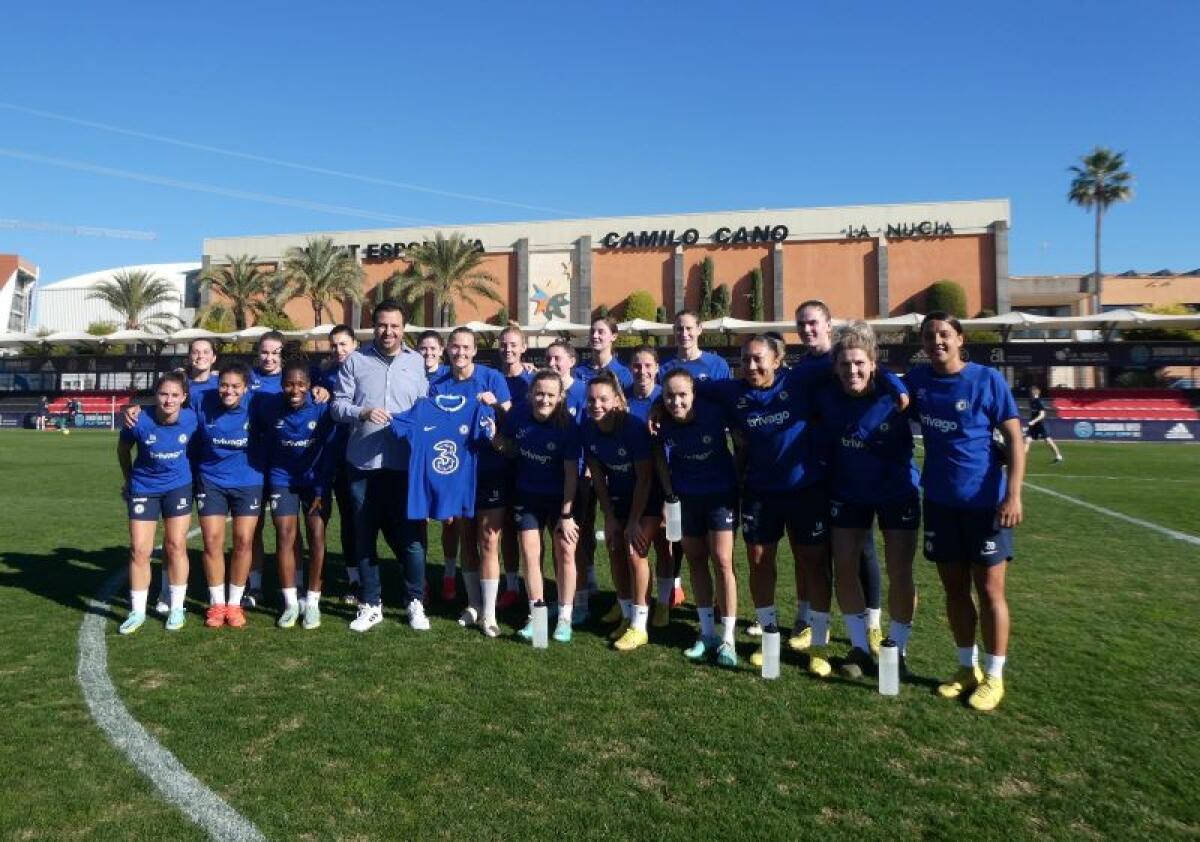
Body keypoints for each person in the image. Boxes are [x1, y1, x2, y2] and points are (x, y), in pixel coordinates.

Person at [907, 312, 1025, 712]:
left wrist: (1014, 495)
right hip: (940, 502)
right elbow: (887, 391)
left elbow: (1014, 437)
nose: (936, 341)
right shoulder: (919, 382)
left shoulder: (986, 379)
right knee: (954, 590)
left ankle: (995, 675)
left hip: (985, 504)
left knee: (990, 590)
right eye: (929, 336)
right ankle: (966, 669)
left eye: (944, 334)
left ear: (959, 338)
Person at [699, 335, 834, 676]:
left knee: (813, 563)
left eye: (758, 359)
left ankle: (818, 645)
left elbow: (854, 363)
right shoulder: (732, 391)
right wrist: (657, 407)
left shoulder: (799, 379)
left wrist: (893, 383)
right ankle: (769, 640)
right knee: (760, 561)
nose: (751, 366)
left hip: (805, 489)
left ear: (778, 360)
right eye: (745, 360)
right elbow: (686, 388)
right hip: (760, 491)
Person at [816, 322, 920, 679]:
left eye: (859, 363)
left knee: (900, 571)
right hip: (848, 492)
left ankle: (897, 649)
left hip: (896, 492)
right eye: (845, 364)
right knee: (844, 566)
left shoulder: (895, 395)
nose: (852, 371)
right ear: (835, 368)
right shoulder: (828, 397)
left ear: (873, 363)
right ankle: (860, 647)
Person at [789, 299, 888, 654]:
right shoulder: (799, 369)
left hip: (854, 471)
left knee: (863, 550)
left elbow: (882, 376)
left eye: (813, 323)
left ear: (828, 324)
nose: (807, 330)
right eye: (801, 324)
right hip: (815, 474)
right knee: (813, 553)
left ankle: (873, 625)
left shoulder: (848, 357)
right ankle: (814, 621)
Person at [330, 300, 430, 633]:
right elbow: (336, 406)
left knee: (411, 538)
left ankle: (414, 600)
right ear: (374, 327)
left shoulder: (416, 363)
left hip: (403, 465)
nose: (388, 332)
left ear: (404, 328)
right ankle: (371, 604)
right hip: (363, 463)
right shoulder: (355, 362)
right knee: (364, 535)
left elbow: (424, 409)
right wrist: (362, 411)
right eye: (382, 325)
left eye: (395, 326)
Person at [427, 327, 511, 633]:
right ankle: (474, 604)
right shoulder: (438, 384)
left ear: (475, 351)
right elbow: (433, 428)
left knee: (489, 540)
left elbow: (510, 422)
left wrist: (498, 405)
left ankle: (490, 613)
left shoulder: (492, 379)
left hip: (490, 472)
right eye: (455, 347)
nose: (460, 352)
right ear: (447, 350)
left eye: (466, 347)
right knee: (466, 538)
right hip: (457, 475)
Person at [487, 370, 581, 643]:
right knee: (530, 554)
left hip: (560, 499)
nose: (544, 399)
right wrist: (498, 441)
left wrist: (566, 514)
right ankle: (536, 618)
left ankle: (564, 617)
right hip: (527, 496)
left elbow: (571, 475)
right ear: (530, 394)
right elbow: (508, 446)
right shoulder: (518, 415)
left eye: (551, 395)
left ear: (561, 397)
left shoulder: (568, 427)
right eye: (539, 393)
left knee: (565, 551)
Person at [655, 368, 739, 666]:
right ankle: (706, 634)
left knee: (723, 561)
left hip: (719, 497)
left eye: (682, 395)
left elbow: (740, 438)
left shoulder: (714, 413)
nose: (676, 401)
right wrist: (669, 493)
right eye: (668, 395)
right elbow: (659, 460)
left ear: (693, 395)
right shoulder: (661, 422)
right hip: (686, 499)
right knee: (695, 560)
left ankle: (728, 638)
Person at [581, 371, 661, 652]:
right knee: (615, 548)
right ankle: (626, 614)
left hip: (648, 499)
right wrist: (612, 518)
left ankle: (640, 625)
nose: (596, 405)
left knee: (634, 552)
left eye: (603, 399)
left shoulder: (634, 427)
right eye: (591, 400)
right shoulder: (588, 429)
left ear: (616, 400)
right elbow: (599, 479)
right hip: (618, 500)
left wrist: (633, 522)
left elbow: (645, 479)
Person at [116, 372, 198, 634]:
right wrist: (129, 480)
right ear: (155, 395)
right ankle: (137, 612)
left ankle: (176, 608)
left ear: (184, 397)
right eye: (163, 394)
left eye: (175, 395)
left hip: (178, 486)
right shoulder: (138, 420)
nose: (168, 400)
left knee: (176, 546)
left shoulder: (191, 418)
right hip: (144, 488)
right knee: (140, 550)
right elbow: (122, 450)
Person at [260, 361, 339, 630]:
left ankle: (313, 601)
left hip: (315, 481)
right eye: (289, 384)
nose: (295, 389)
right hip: (282, 479)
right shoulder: (269, 408)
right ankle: (291, 603)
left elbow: (329, 451)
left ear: (309, 386)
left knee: (316, 535)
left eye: (300, 384)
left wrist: (321, 488)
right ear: (282, 385)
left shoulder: (322, 408)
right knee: (284, 536)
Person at [193, 362, 265, 629]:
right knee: (212, 542)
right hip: (211, 481)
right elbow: (170, 398)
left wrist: (320, 391)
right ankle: (216, 604)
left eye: (236, 386)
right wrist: (136, 408)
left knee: (244, 541)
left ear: (246, 388)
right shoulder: (201, 400)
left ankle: (234, 604)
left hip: (248, 482)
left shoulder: (258, 404)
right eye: (224, 385)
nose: (229, 391)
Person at [627, 345, 682, 628]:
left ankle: (664, 601)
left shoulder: (668, 397)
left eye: (648, 365)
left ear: (657, 368)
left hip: (669, 483)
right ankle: (634, 604)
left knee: (666, 544)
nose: (642, 371)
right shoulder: (623, 399)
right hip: (636, 484)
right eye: (636, 365)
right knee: (636, 546)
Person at [545, 339, 592, 623]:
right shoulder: (544, 390)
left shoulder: (583, 392)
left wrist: (589, 467)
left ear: (571, 361)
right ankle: (562, 597)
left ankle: (582, 602)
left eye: (557, 359)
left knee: (577, 544)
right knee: (557, 542)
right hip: (550, 480)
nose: (552, 364)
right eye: (548, 359)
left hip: (579, 480)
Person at [316, 325, 361, 606]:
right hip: (328, 456)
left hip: (357, 455)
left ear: (355, 344)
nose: (339, 350)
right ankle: (345, 576)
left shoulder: (364, 369)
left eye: (344, 344)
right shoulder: (323, 373)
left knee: (356, 519)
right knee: (333, 519)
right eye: (334, 345)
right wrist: (315, 387)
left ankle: (361, 578)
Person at [416, 329, 458, 598]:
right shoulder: (411, 376)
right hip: (418, 455)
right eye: (424, 349)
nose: (428, 353)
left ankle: (450, 574)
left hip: (445, 455)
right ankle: (420, 579)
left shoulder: (450, 376)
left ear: (441, 351)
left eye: (433, 349)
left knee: (449, 518)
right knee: (418, 517)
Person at [495, 325, 534, 610]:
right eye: (504, 344)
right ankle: (510, 585)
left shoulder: (531, 382)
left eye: (513, 345)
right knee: (505, 526)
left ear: (523, 348)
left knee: (531, 531)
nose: (508, 349)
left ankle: (539, 586)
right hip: (496, 462)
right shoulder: (490, 378)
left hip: (526, 463)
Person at [659, 310, 731, 383]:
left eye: (689, 328)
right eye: (680, 329)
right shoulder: (663, 367)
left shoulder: (717, 365)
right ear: (674, 330)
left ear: (699, 329)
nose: (684, 334)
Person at [573, 315, 633, 390]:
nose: (594, 336)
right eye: (592, 331)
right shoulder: (579, 370)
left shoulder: (622, 372)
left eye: (601, 332)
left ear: (613, 336)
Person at [1024, 385, 1063, 463]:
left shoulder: (1038, 402)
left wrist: (1033, 421)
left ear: (1035, 392)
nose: (1030, 394)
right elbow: (1033, 414)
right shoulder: (1032, 402)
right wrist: (1030, 423)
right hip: (1033, 426)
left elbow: (1042, 415)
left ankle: (1058, 456)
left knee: (1048, 441)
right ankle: (1021, 459)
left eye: (1031, 392)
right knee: (1027, 440)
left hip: (1040, 425)